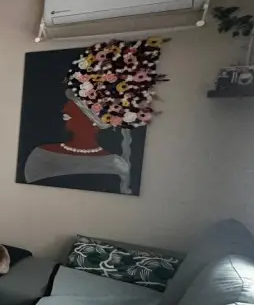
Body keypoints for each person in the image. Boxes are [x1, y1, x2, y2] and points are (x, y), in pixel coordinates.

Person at [23, 39, 164, 195]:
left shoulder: (116, 164)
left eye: (75, 105)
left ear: (94, 118)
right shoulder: (42, 155)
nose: (64, 108)